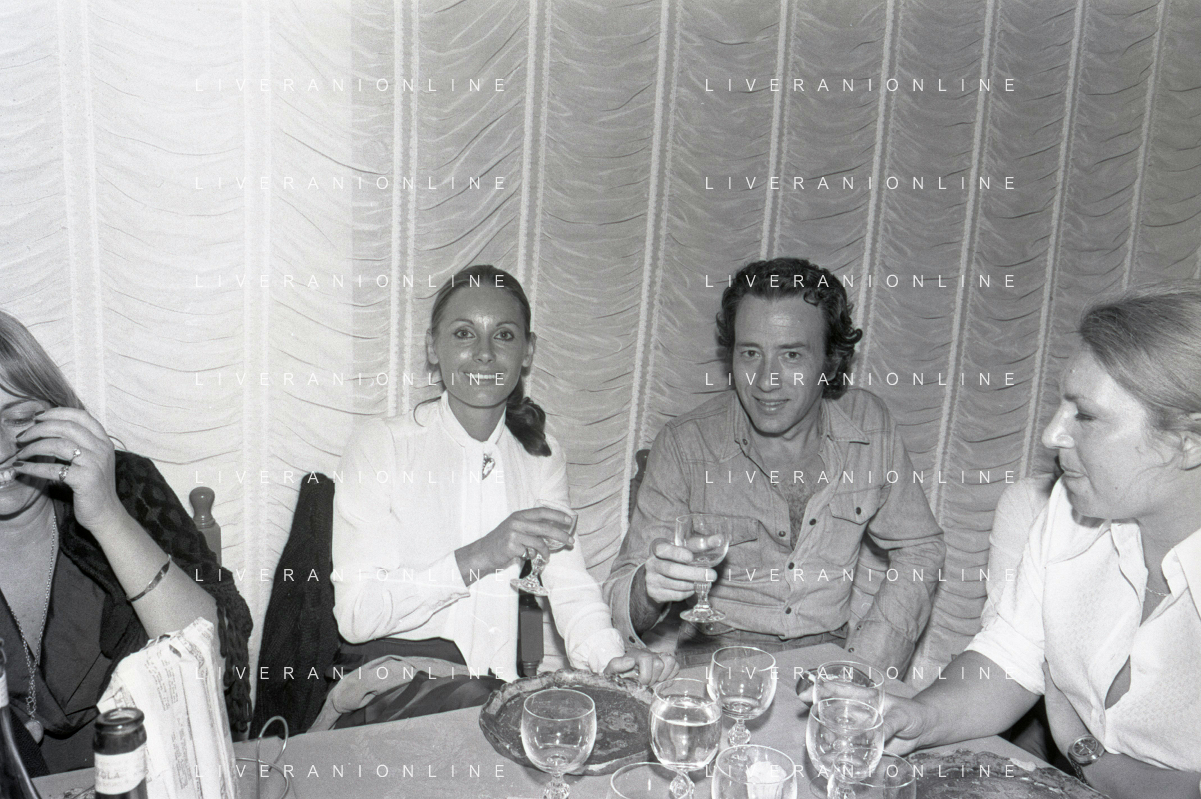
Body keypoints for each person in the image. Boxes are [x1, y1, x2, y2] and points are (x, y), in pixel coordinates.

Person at [883, 285, 1201, 798]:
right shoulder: (1073, 510)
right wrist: (921, 717)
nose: (1053, 435)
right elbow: (1009, 657)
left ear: (1188, 443)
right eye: (1061, 406)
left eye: (1086, 416)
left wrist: (1082, 748)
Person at [329, 265, 675, 722]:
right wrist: (480, 555)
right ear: (432, 347)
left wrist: (610, 659)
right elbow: (356, 616)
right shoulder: (382, 445)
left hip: (497, 701)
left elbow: (569, 585)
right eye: (464, 333)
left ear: (527, 352)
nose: (485, 353)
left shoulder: (540, 456)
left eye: (504, 336)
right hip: (395, 697)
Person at [603, 258, 946, 671]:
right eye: (751, 353)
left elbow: (920, 548)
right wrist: (650, 588)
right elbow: (621, 602)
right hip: (715, 665)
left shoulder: (872, 426)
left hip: (829, 662)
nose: (766, 380)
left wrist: (863, 666)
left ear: (831, 361)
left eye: (792, 355)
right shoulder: (684, 443)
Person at [0, 311, 252, 775]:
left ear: (58, 414)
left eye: (17, 418)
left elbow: (219, 665)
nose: (1, 450)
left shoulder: (125, 486)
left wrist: (108, 517)